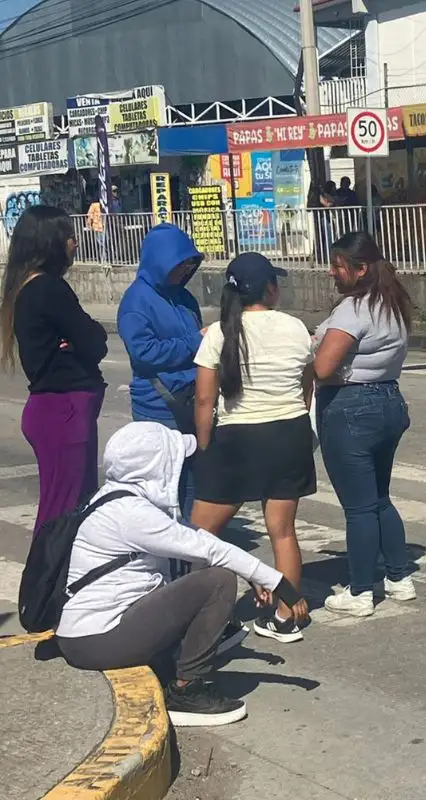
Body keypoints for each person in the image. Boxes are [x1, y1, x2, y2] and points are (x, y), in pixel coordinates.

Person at [55, 422, 304, 728]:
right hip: (96, 640)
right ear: (155, 466)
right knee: (219, 581)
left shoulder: (119, 497)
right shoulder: (132, 514)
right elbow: (210, 550)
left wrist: (253, 575)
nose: (182, 468)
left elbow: (196, 539)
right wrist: (279, 584)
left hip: (91, 633)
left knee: (201, 568)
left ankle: (172, 660)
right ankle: (186, 692)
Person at [189, 253, 315, 642]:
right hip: (289, 433)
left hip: (237, 439)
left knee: (202, 533)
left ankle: (201, 614)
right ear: (270, 289)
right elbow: (306, 385)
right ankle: (286, 617)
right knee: (282, 531)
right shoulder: (295, 327)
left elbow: (204, 401)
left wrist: (204, 447)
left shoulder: (218, 334)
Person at [312, 232, 417, 616]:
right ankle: (399, 577)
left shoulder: (353, 309)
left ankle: (360, 592)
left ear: (360, 269)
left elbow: (323, 368)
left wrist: (314, 351)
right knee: (379, 498)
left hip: (351, 408)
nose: (331, 272)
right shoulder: (392, 302)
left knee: (358, 508)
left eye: (338, 266)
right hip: (388, 400)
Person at [0, 206, 107, 532]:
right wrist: (87, 336)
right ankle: (48, 568)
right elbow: (95, 343)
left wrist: (82, 338)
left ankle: (61, 566)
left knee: (72, 512)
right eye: (69, 236)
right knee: (63, 517)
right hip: (63, 411)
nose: (75, 243)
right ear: (50, 242)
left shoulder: (26, 287)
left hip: (57, 411)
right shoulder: (47, 288)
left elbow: (86, 339)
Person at [117, 223, 204, 522]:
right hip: (159, 404)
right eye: (179, 265)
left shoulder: (183, 297)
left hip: (191, 398)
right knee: (164, 483)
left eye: (189, 265)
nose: (185, 271)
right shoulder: (136, 301)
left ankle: (189, 536)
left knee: (192, 478)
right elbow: (144, 352)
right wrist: (195, 342)